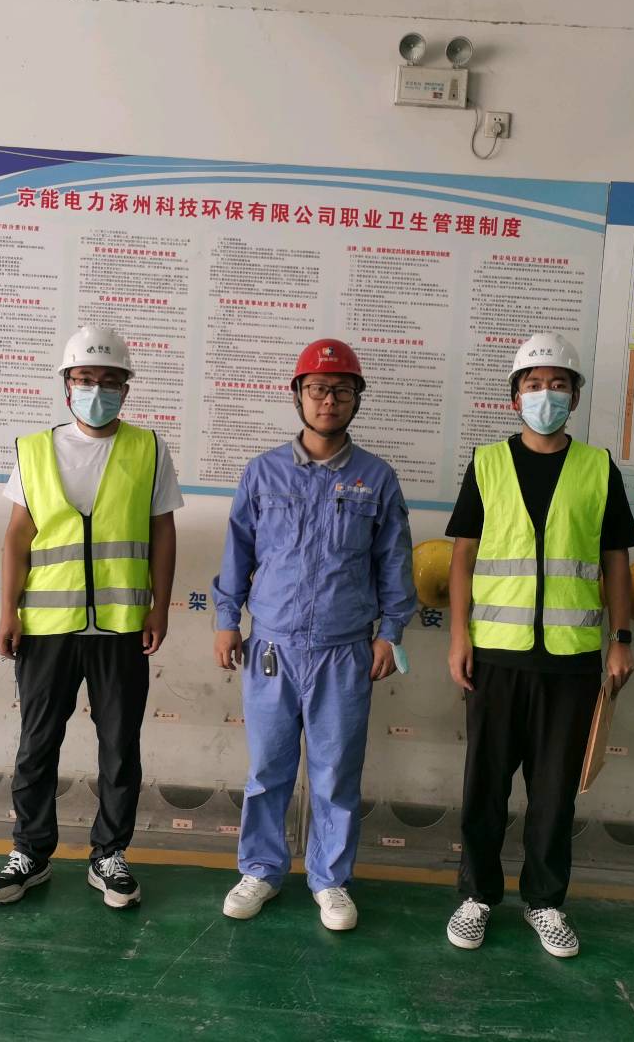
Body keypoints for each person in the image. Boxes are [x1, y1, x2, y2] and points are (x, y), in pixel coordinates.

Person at [443, 332, 634, 957]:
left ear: (574, 397)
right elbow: (462, 558)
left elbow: (615, 559)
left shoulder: (598, 468)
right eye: (533, 384)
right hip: (494, 656)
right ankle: (477, 896)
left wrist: (621, 638)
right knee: (485, 787)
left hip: (571, 659)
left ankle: (546, 902)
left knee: (554, 792)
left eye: (557, 384)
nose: (545, 394)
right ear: (514, 398)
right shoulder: (486, 464)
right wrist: (458, 637)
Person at [211, 338, 416, 932]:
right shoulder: (263, 472)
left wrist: (391, 632)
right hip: (271, 647)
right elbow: (238, 552)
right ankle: (261, 869)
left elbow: (394, 562)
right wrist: (227, 621)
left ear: (356, 399)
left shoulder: (376, 478)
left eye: (341, 390)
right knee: (268, 769)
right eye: (318, 389)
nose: (329, 400)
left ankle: (331, 880)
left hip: (344, 650)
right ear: (298, 395)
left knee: (335, 772)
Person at [0, 325, 182, 909]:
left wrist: (159, 606)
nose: (97, 390)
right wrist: (8, 611)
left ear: (126, 388)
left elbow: (162, 533)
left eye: (109, 380)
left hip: (121, 626)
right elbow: (17, 535)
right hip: (47, 627)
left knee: (120, 745)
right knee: (37, 743)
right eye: (85, 379)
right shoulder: (34, 450)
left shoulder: (149, 449)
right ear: (67, 386)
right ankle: (30, 851)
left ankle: (109, 854)